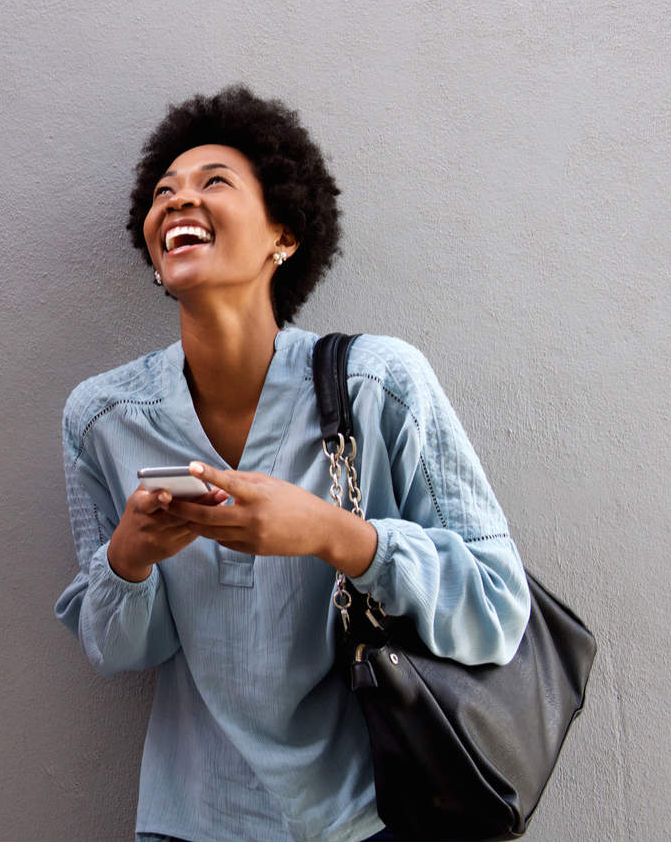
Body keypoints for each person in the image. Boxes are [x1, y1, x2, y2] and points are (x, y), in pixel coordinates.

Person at [53, 85, 531, 842]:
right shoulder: (103, 419)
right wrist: (131, 557)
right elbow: (118, 653)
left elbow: (500, 612)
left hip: (373, 817)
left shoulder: (379, 385)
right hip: (192, 822)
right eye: (162, 192)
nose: (178, 200)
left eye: (214, 182)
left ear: (284, 233)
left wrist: (335, 535)